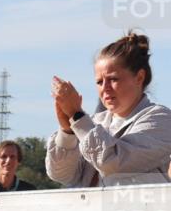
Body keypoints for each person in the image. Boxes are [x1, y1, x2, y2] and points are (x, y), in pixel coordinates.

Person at [48, 31, 171, 187]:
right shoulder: (94, 122)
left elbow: (112, 162)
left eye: (113, 79)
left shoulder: (161, 119)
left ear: (139, 77)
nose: (105, 88)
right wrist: (67, 132)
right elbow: (61, 174)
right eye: (99, 82)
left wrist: (77, 116)